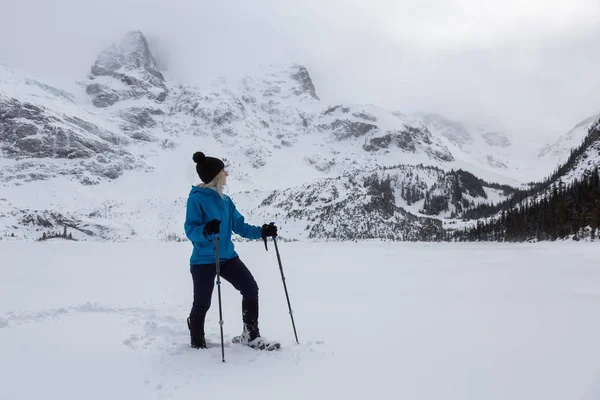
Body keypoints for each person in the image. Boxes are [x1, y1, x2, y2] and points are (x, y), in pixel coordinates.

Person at [184, 151, 278, 350]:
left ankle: (251, 336)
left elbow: (240, 226)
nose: (226, 174)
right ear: (216, 176)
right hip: (203, 260)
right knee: (202, 303)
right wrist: (207, 230)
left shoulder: (226, 201)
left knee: (250, 288)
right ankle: (196, 341)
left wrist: (262, 231)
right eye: (223, 171)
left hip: (227, 257)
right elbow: (190, 230)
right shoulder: (196, 199)